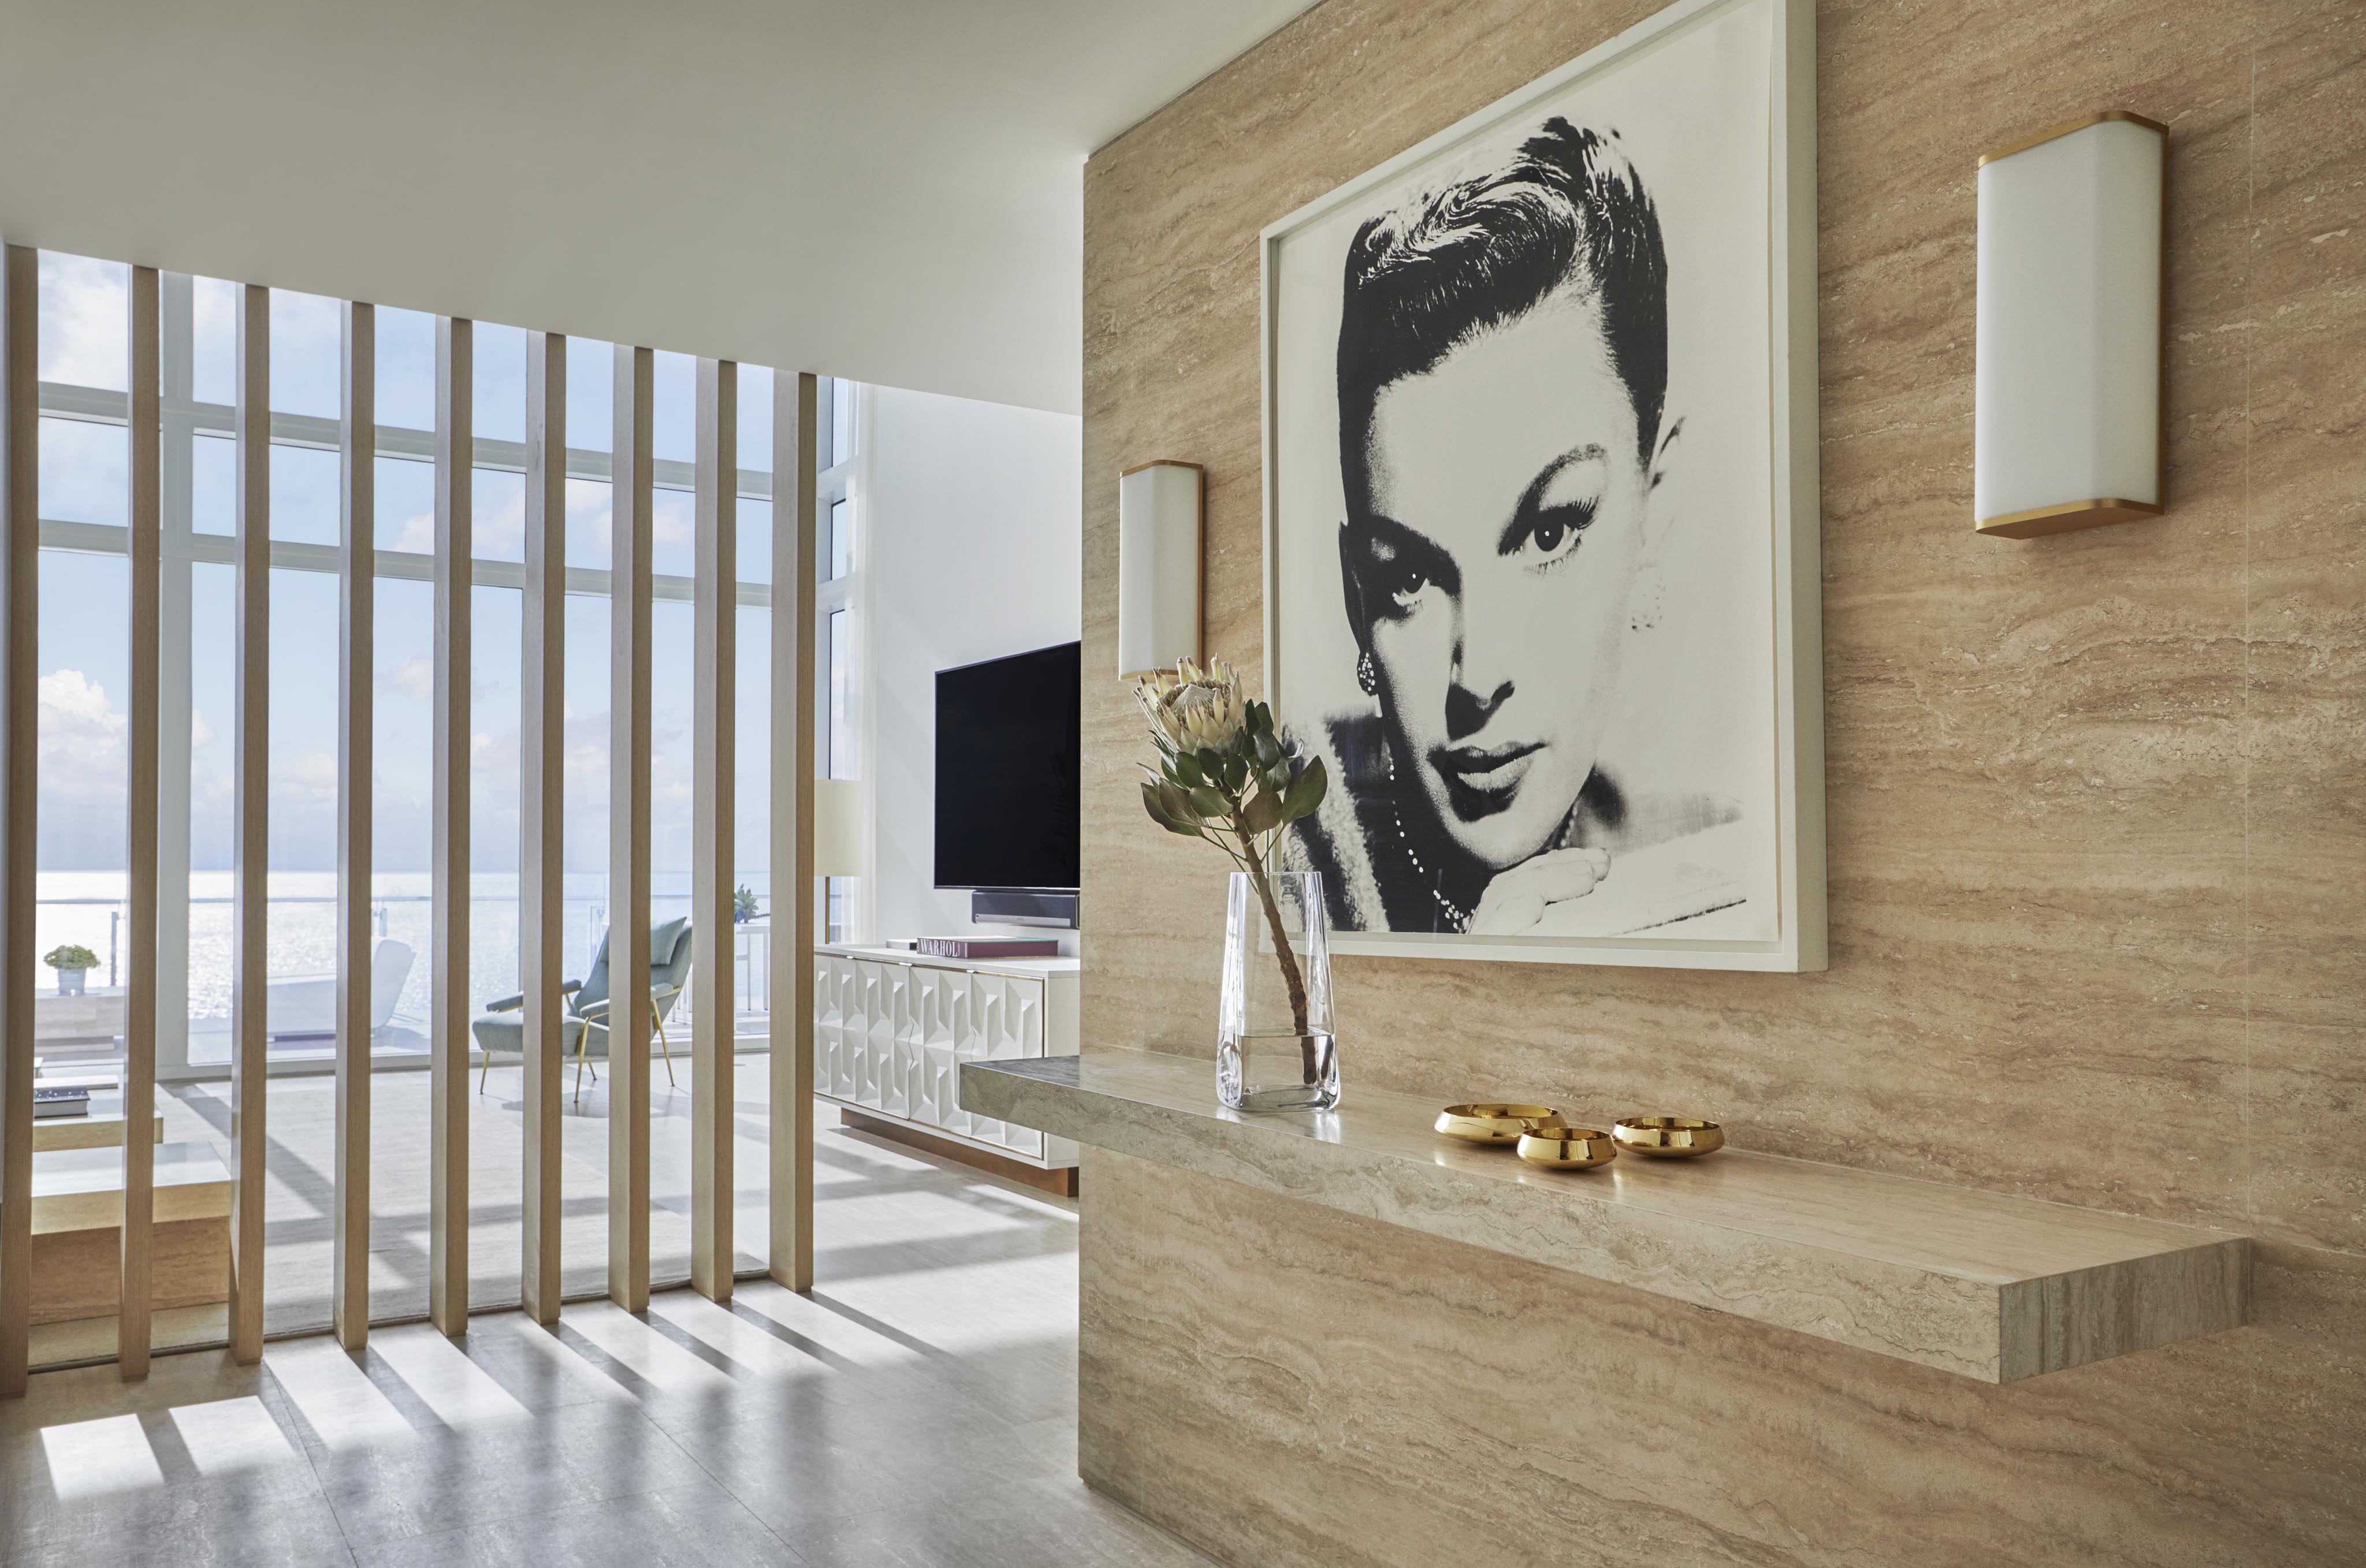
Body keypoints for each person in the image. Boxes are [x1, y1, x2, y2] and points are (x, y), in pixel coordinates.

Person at [1285, 116, 1732, 937]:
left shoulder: (1711, 854)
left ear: (1651, 507)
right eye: (1408, 580)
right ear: (1359, 595)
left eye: (1551, 535)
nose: (1476, 678)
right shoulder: (1280, 852)